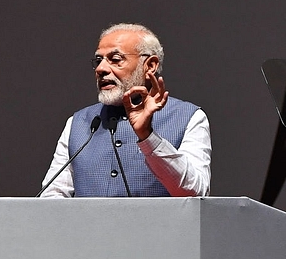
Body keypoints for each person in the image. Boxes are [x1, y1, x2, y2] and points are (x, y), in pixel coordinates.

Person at [39, 23, 211, 197]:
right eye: (98, 61)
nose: (101, 69)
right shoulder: (79, 122)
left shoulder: (188, 117)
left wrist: (147, 137)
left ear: (150, 66)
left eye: (115, 59)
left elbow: (195, 192)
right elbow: (52, 197)